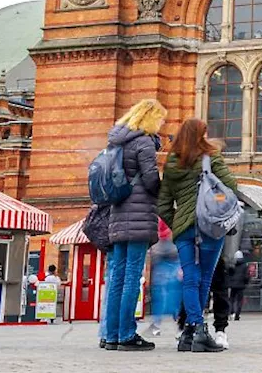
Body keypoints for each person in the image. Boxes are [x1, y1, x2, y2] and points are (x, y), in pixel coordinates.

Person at [157, 117, 240, 353]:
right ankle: (199, 330)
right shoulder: (211, 156)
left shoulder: (172, 163)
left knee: (190, 279)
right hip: (210, 228)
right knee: (204, 278)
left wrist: (179, 224)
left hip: (184, 230)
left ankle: (189, 333)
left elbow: (163, 204)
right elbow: (231, 187)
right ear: (199, 135)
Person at [103, 99, 165, 352]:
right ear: (150, 118)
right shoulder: (144, 141)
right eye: (160, 119)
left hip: (117, 213)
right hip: (138, 214)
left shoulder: (116, 140)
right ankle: (127, 334)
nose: (161, 124)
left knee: (116, 276)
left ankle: (111, 334)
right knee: (131, 277)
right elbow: (150, 179)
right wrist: (163, 192)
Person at [146, 222, 181, 337]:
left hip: (159, 252)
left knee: (159, 293)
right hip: (173, 252)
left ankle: (156, 324)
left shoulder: (158, 213)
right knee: (176, 291)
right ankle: (179, 321)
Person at [226, 251, 249, 321]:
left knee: (231, 299)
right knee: (239, 300)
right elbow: (246, 276)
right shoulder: (245, 265)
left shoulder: (233, 264)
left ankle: (231, 312)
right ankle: (237, 315)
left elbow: (229, 273)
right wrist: (246, 282)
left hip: (233, 285)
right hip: (241, 285)